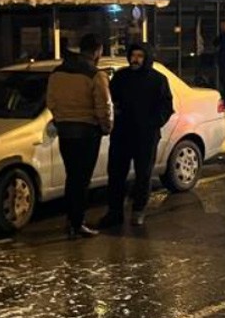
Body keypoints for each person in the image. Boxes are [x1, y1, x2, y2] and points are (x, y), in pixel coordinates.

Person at [46, 34, 113, 239]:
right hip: (87, 132)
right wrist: (106, 127)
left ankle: (71, 220)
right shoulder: (95, 75)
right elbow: (103, 106)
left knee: (72, 177)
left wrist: (60, 119)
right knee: (82, 180)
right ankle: (77, 223)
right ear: (97, 51)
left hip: (66, 132)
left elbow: (51, 101)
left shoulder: (57, 72)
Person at [101, 42, 174, 229]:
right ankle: (115, 211)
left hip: (146, 135)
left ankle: (138, 210)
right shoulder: (121, 77)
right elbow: (110, 100)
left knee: (143, 175)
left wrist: (153, 123)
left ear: (147, 58)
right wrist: (114, 114)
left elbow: (166, 106)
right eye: (133, 55)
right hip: (122, 133)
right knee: (116, 174)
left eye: (140, 56)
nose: (136, 59)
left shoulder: (158, 80)